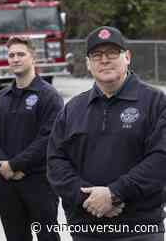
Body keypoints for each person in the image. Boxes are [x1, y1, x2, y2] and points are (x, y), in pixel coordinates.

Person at [47, 26, 166, 240]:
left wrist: (114, 193)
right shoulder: (72, 109)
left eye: (112, 53)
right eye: (96, 55)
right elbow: (56, 162)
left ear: (127, 57)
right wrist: (88, 198)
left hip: (139, 229)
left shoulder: (156, 103)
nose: (104, 60)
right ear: (88, 64)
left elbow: (160, 159)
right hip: (87, 228)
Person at [0, 36, 63, 241]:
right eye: (11, 55)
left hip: (39, 183)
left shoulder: (49, 96)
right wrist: (4, 166)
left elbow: (48, 139)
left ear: (33, 58)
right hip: (7, 184)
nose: (15, 59)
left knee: (47, 236)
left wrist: (15, 164)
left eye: (21, 54)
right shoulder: (1, 98)